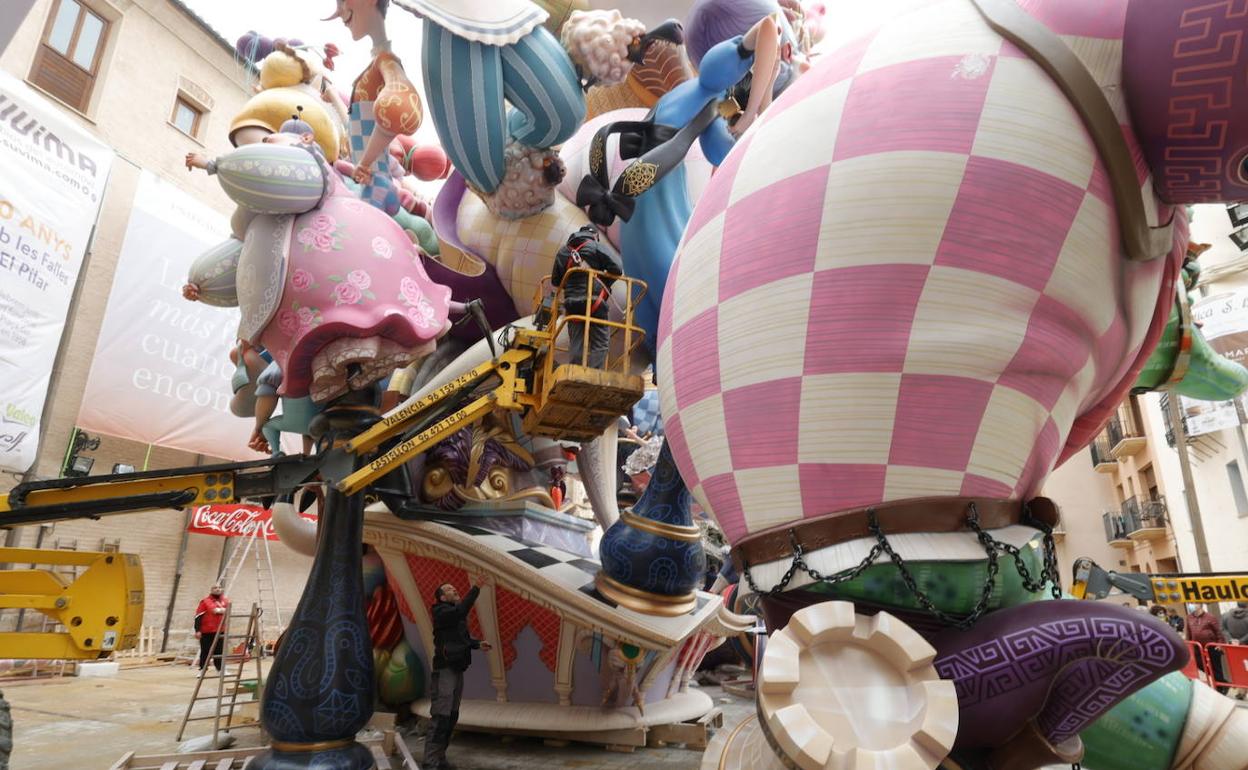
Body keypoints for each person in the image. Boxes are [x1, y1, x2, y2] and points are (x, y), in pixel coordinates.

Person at [424, 579, 493, 770]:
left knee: (451, 715)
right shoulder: (441, 611)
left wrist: (477, 644)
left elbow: (461, 640)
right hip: (445, 669)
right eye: (448, 589)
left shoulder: (455, 617)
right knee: (441, 715)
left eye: (454, 587)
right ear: (442, 598)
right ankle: (430, 762)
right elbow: (461, 610)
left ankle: (440, 758)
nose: (454, 589)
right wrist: (476, 588)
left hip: (457, 668)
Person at [550, 226, 623, 369]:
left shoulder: (563, 252)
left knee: (576, 340)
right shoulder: (596, 246)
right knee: (600, 341)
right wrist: (603, 281)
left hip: (572, 303)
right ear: (594, 235)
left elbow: (556, 281)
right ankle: (594, 373)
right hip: (595, 301)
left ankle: (576, 371)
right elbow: (617, 268)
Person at [1186, 602, 1229, 694]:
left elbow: (1219, 632)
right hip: (1197, 647)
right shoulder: (1189, 618)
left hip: (1211, 646)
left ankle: (1222, 686)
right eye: (1190, 603)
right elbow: (1189, 633)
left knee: (1216, 667)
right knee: (1200, 665)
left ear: (1200, 605)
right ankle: (1223, 682)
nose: (1191, 605)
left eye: (1194, 603)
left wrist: (1220, 644)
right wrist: (1189, 645)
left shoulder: (1210, 617)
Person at [194, 584, 230, 672]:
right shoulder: (205, 601)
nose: (217, 589)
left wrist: (219, 610)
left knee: (220, 651)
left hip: (220, 630)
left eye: (219, 588)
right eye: (215, 588)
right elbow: (199, 616)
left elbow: (229, 610)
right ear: (211, 590)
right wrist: (197, 630)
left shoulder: (225, 601)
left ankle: (220, 669)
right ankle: (202, 669)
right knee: (205, 651)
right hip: (207, 631)